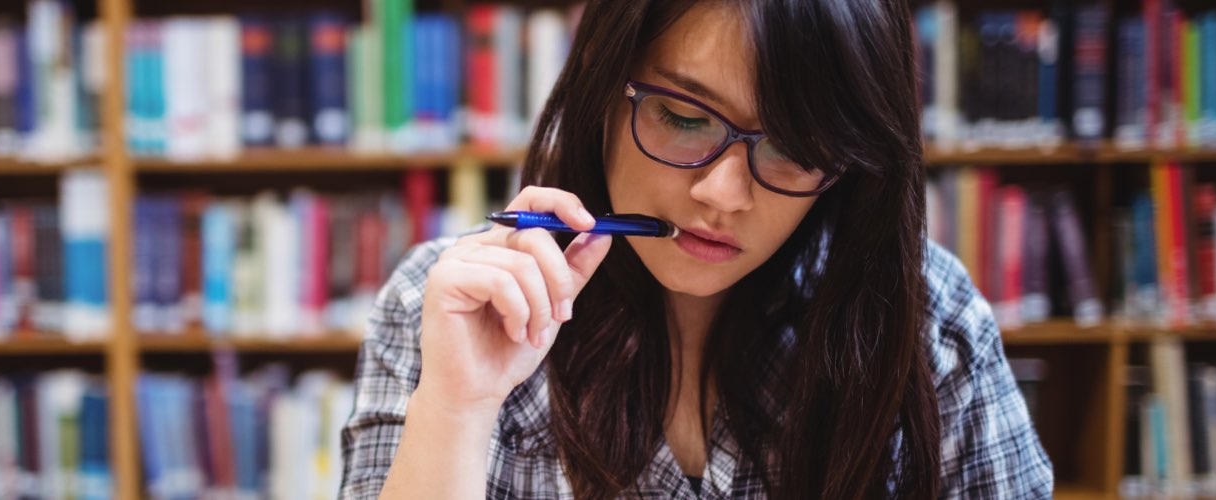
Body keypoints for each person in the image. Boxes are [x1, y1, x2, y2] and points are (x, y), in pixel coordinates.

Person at [339, 0, 1053, 497]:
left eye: (795, 147)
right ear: (601, 87)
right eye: (683, 117)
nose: (724, 192)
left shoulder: (931, 324)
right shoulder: (447, 305)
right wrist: (458, 411)